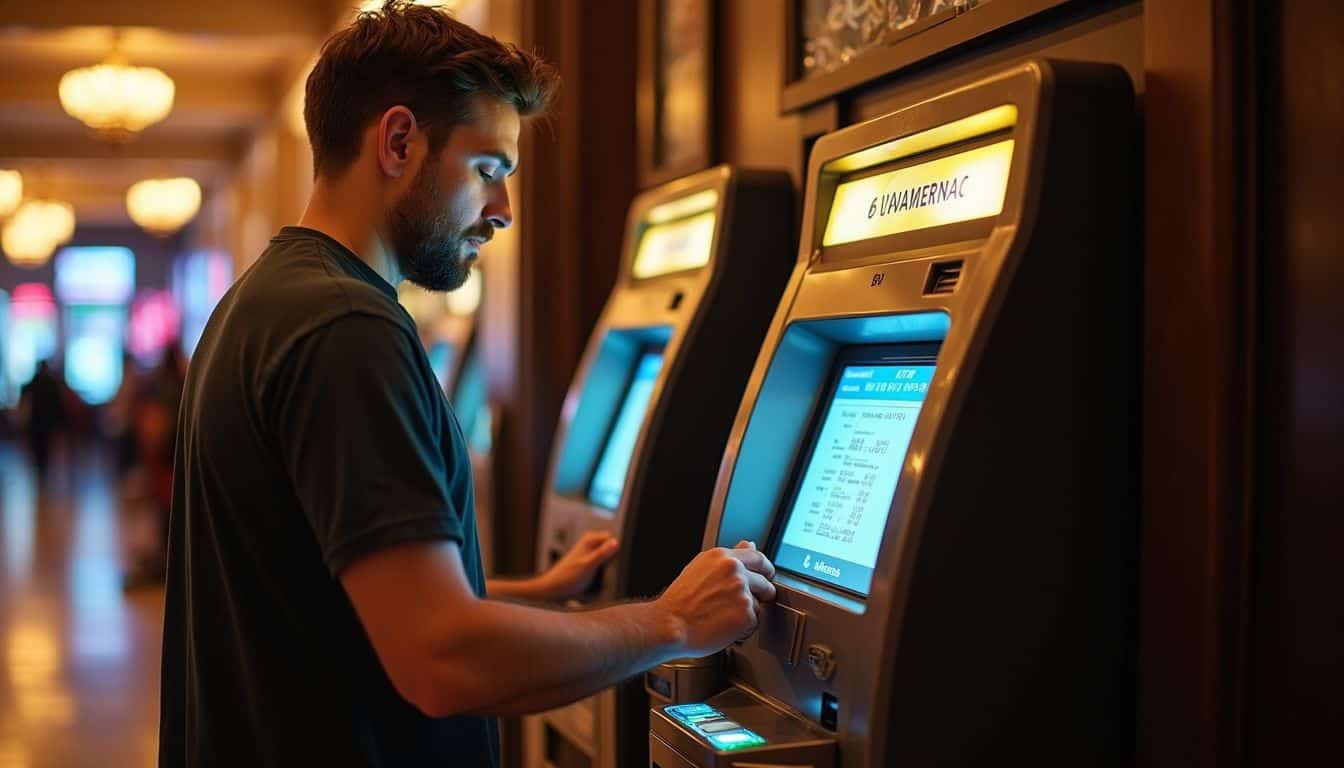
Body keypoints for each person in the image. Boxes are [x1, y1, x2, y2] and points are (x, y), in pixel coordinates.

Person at [158, 3, 776, 767]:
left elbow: (339, 597)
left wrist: (535, 592)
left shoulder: (268, 300)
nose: (504, 211)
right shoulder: (346, 328)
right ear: (398, 141)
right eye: (488, 170)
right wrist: (675, 623)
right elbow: (441, 661)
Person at [17, 360, 65, 482]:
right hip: (45, 422)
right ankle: (42, 470)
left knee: (39, 447)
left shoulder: (36, 382)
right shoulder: (51, 383)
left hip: (37, 422)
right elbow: (58, 405)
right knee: (43, 447)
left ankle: (40, 470)